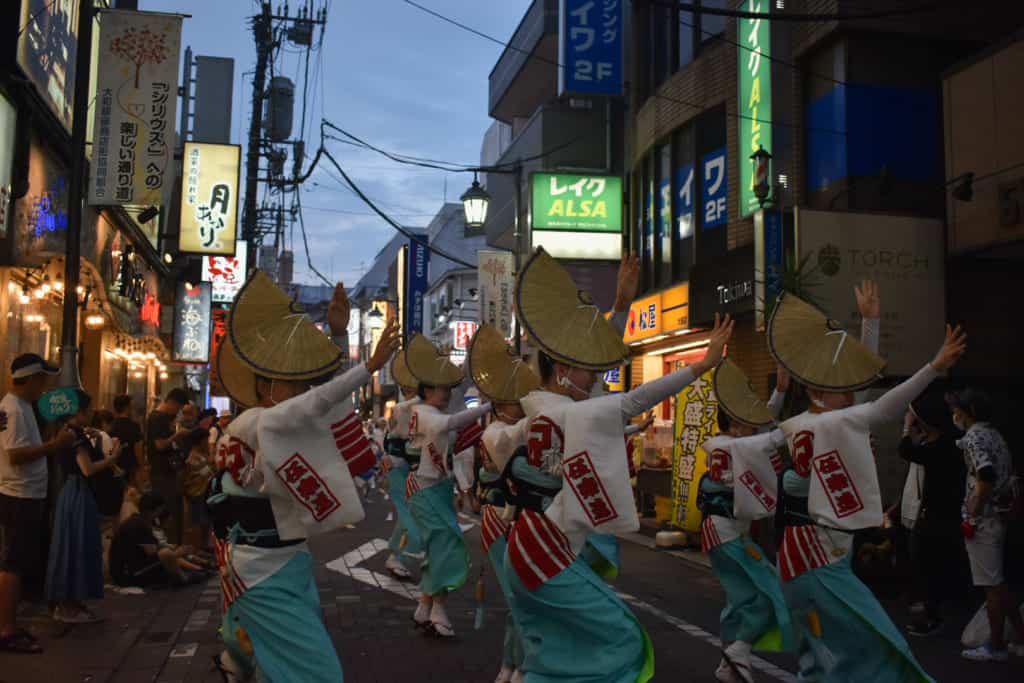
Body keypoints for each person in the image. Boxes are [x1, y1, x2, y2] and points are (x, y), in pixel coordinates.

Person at [502, 248, 730, 682]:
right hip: (544, 549)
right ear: (563, 369)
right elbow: (631, 399)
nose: (596, 378)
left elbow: (600, 374)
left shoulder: (542, 409)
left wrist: (622, 305)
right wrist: (701, 365)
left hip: (534, 544)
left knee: (558, 649)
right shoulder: (567, 413)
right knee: (620, 639)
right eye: (586, 371)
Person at [208, 273, 401, 682]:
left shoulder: (272, 424)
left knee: (278, 663)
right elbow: (319, 401)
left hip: (282, 559)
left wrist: (338, 337)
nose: (303, 390)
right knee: (316, 672)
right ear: (265, 386)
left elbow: (322, 399)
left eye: (303, 382)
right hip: (260, 567)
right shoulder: (257, 422)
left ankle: (236, 656)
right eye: (293, 381)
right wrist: (368, 366)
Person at [769, 291, 966, 682]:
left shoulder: (800, 424)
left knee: (821, 657)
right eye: (841, 388)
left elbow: (859, 389)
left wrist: (870, 323)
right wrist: (932, 368)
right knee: (877, 643)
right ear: (817, 390)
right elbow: (880, 407)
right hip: (818, 559)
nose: (850, 393)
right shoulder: (835, 422)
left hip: (802, 559)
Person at [697, 360, 795, 683]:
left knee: (739, 599)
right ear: (737, 424)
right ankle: (738, 651)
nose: (754, 428)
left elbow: (762, 432)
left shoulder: (726, 444)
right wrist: (813, 418)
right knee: (770, 592)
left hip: (723, 533)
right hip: (727, 534)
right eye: (747, 423)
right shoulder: (738, 446)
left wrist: (780, 392)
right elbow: (771, 437)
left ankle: (730, 663)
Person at [404, 334, 492, 638]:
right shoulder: (423, 412)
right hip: (425, 488)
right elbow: (448, 425)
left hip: (436, 487)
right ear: (427, 389)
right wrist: (487, 407)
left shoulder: (433, 410)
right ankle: (438, 607)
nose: (447, 392)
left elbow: (462, 385)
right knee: (448, 546)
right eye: (441, 388)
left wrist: (471, 355)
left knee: (438, 547)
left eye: (447, 388)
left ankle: (425, 607)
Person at [469, 323, 542, 683]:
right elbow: (521, 434)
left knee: (520, 601)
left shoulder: (501, 431)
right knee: (521, 601)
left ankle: (511, 666)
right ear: (500, 404)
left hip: (502, 519)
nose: (523, 406)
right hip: (501, 521)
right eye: (517, 401)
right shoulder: (497, 433)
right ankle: (518, 667)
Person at [0, 354, 76, 654]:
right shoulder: (14, 409)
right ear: (31, 379)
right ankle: (6, 630)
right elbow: (16, 455)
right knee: (13, 564)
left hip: (27, 493)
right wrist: (55, 445)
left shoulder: (21, 407)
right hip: (19, 494)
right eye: (42, 380)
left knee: (19, 562)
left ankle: (11, 623)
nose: (44, 388)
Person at [949, 388, 1024, 662]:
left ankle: (996, 646)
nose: (954, 414)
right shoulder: (995, 434)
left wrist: (975, 508)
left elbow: (986, 474)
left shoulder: (973, 437)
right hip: (998, 518)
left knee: (992, 587)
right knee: (998, 583)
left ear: (968, 411)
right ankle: (1020, 636)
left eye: (957, 409)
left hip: (983, 522)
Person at [897, 381, 968, 637]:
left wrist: (907, 427)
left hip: (935, 516)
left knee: (928, 566)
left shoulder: (939, 448)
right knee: (932, 565)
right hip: (943, 513)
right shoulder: (950, 443)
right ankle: (932, 609)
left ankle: (932, 616)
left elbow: (905, 450)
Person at [45, 390, 121, 624]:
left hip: (73, 491)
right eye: (88, 409)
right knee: (75, 545)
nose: (91, 414)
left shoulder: (65, 431)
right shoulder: (74, 434)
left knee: (75, 544)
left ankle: (73, 603)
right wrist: (112, 458)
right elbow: (87, 468)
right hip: (78, 493)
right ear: (79, 411)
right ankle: (68, 606)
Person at [381, 353, 424, 580]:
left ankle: (396, 556)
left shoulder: (406, 407)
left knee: (408, 513)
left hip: (402, 467)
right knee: (410, 514)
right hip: (399, 466)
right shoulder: (410, 407)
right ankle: (402, 554)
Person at [109, 493, 190, 588]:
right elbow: (155, 553)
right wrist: (177, 553)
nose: (159, 515)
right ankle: (184, 579)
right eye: (159, 510)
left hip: (125, 573)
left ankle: (184, 576)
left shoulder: (137, 521)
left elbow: (154, 549)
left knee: (168, 556)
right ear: (152, 510)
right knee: (166, 554)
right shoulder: (140, 525)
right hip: (128, 576)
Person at [146, 388, 194, 545]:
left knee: (174, 510)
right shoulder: (157, 418)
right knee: (168, 511)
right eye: (178, 408)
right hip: (162, 473)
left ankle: (173, 547)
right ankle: (170, 548)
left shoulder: (164, 418)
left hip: (167, 471)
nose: (178, 412)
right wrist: (177, 435)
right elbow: (160, 445)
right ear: (172, 402)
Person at [182, 428, 214, 553]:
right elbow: (208, 473)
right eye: (206, 440)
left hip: (204, 492)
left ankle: (203, 547)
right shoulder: (193, 458)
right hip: (198, 493)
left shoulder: (201, 456)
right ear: (200, 441)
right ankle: (198, 549)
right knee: (198, 523)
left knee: (205, 522)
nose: (207, 442)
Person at [110, 395, 144, 486]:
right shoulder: (134, 426)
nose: (132, 408)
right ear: (126, 407)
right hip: (131, 465)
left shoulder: (112, 425)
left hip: (115, 465)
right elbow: (138, 448)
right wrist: (141, 467)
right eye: (130, 406)